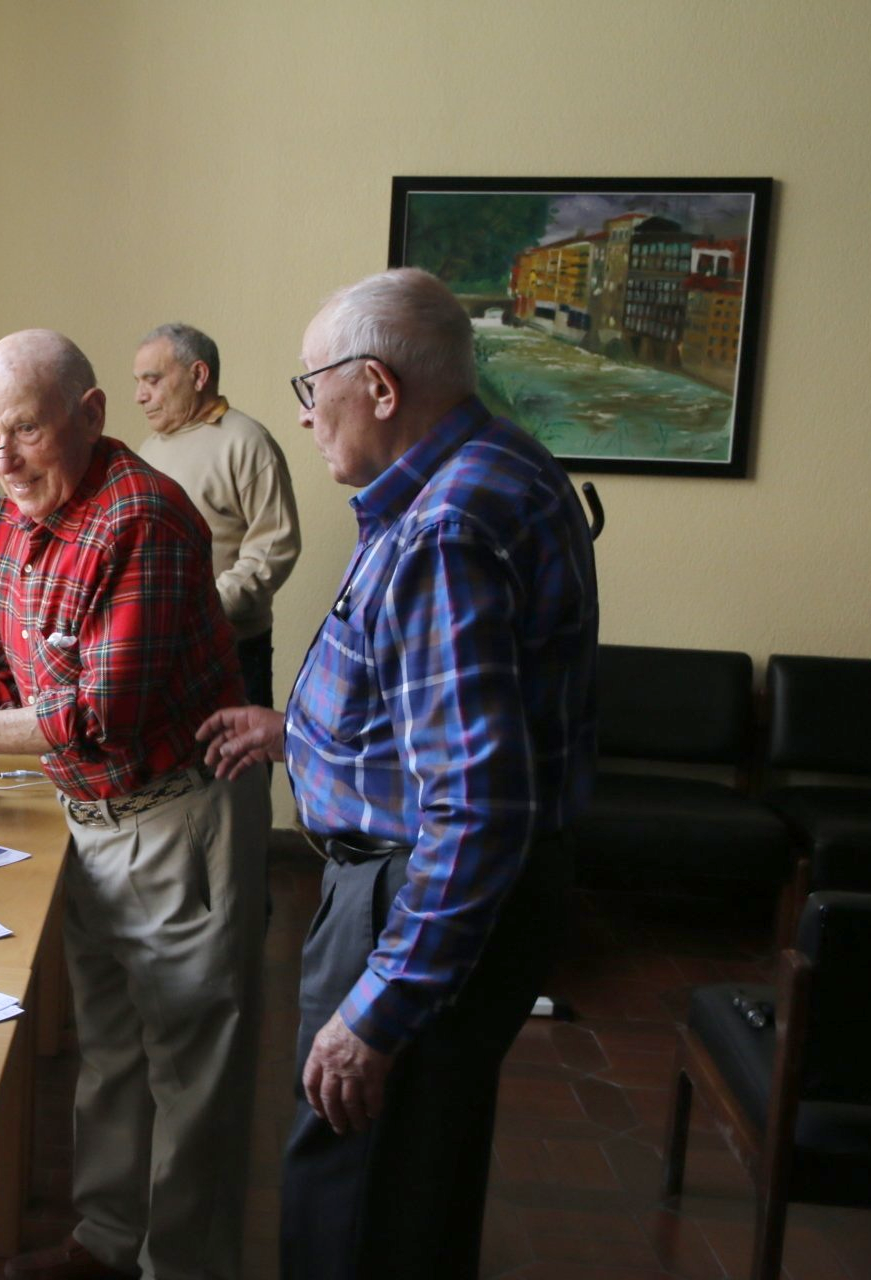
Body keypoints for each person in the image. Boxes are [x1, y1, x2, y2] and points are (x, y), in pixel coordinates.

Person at [198, 268, 598, 1280]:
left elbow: (472, 809)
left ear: (376, 384)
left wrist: (377, 1012)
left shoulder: (442, 529)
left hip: (408, 892)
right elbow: (446, 719)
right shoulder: (498, 466)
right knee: (418, 1179)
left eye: (310, 386)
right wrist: (309, 732)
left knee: (355, 1198)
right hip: (455, 883)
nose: (302, 414)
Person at [0, 330, 267, 1280]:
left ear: (92, 414)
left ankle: (183, 1268)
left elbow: (97, 714)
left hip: (177, 820)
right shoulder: (13, 521)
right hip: (94, 820)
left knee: (192, 1078)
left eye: (26, 429)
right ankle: (108, 1244)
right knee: (114, 1051)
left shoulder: (142, 519)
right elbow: (8, 680)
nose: (5, 456)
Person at [133, 322, 300, 706]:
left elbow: (274, 547)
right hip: (158, 650)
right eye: (138, 381)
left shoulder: (247, 442)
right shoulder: (148, 449)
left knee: (236, 762)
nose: (140, 396)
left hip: (231, 648)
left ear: (198, 375)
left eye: (152, 380)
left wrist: (204, 608)